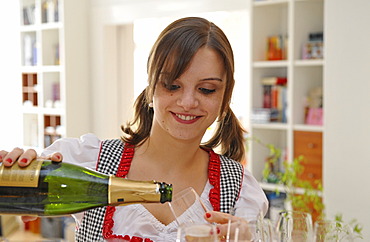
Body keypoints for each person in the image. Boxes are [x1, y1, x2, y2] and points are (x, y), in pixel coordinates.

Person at [0, 17, 268, 241]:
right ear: (151, 89)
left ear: (225, 96)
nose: (188, 102)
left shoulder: (241, 190)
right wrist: (16, 172)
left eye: (206, 89)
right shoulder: (89, 161)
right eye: (172, 86)